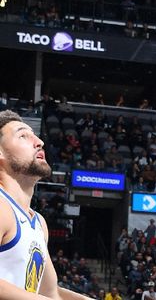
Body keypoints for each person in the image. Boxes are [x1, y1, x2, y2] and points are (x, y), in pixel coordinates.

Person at [0, 110, 96, 300]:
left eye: (35, 135)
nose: (39, 142)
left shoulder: (39, 223)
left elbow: (50, 293)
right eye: (23, 136)